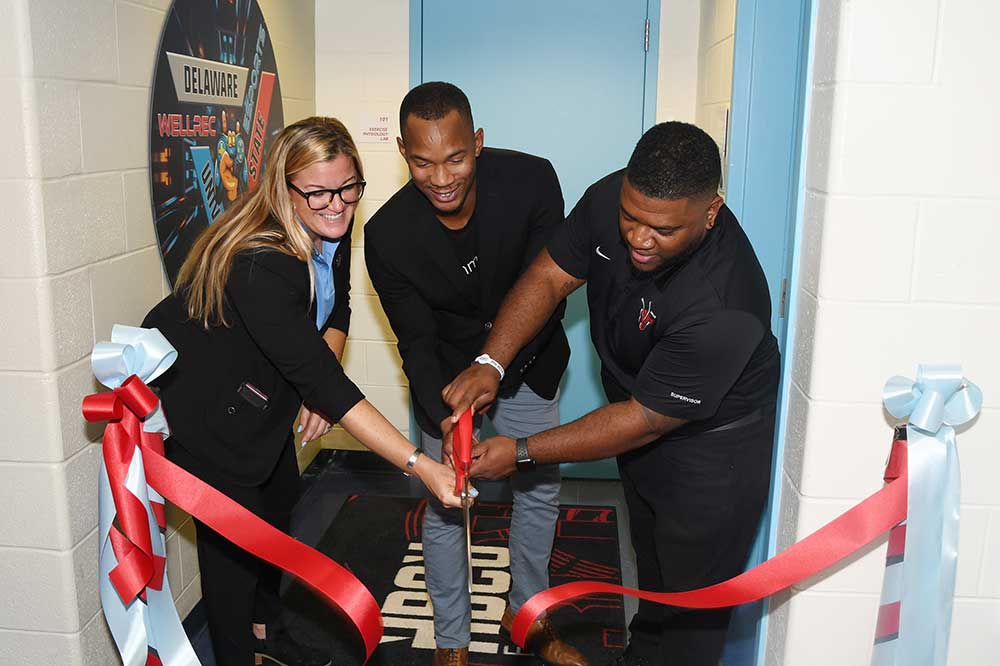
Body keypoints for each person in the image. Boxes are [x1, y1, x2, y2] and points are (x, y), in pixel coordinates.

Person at [443, 122, 781, 666]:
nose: (639, 239)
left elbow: (646, 418)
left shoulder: (725, 301)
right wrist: (491, 362)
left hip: (712, 453)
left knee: (691, 604)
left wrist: (522, 451)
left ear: (711, 211)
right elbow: (549, 277)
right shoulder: (611, 197)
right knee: (650, 570)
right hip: (639, 415)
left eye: (663, 230)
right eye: (631, 218)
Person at [143, 116, 462, 666]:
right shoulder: (263, 264)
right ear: (282, 188)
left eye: (348, 188)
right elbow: (326, 385)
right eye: (316, 192)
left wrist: (321, 368)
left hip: (259, 399)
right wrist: (422, 465)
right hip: (208, 418)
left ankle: (271, 635)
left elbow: (333, 306)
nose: (338, 204)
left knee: (278, 512)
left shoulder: (327, 228)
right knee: (233, 555)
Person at [364, 82, 586, 666]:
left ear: (478, 143)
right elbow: (413, 335)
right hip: (443, 379)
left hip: (530, 362)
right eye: (422, 161)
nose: (441, 176)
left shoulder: (533, 181)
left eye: (456, 157)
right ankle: (451, 640)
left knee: (537, 494)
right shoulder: (385, 235)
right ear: (403, 153)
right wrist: (447, 409)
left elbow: (549, 292)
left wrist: (496, 365)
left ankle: (529, 618)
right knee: (446, 504)